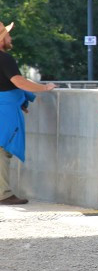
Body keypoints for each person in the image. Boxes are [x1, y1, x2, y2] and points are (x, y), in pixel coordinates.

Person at [0, 20, 57, 205]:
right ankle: (3, 194)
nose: (11, 37)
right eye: (8, 34)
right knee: (3, 148)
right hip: (4, 111)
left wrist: (20, 100)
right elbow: (18, 81)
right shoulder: (4, 58)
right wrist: (44, 87)